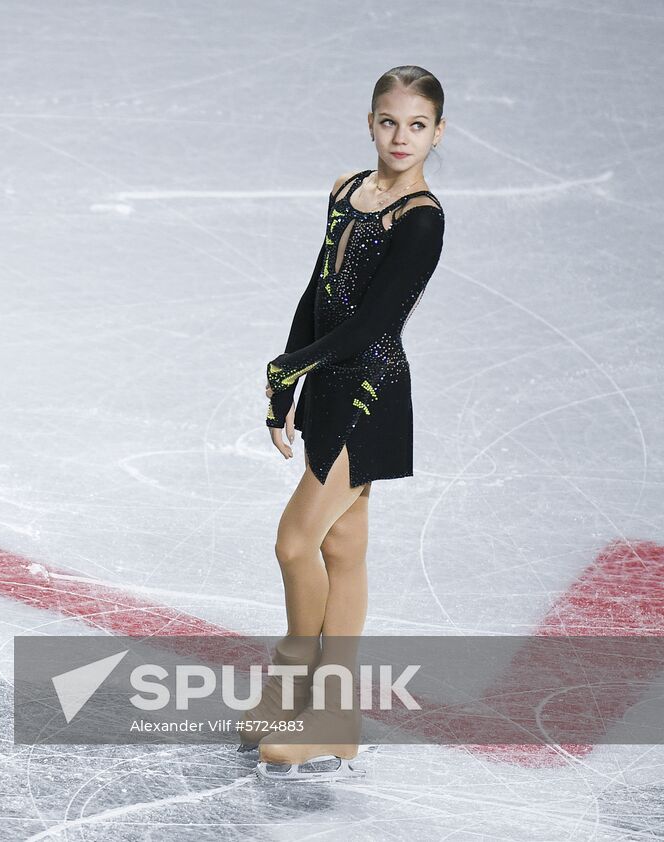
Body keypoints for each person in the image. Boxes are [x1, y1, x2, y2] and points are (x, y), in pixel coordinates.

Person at [242, 66, 448, 782]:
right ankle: (338, 722)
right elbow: (317, 291)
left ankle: (297, 688)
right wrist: (286, 378)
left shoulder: (422, 219)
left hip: (370, 395)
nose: (401, 137)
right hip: (330, 384)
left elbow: (370, 324)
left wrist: (289, 367)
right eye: (389, 121)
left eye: (417, 125)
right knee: (343, 549)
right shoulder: (345, 190)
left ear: (437, 132)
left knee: (295, 541)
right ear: (370, 121)